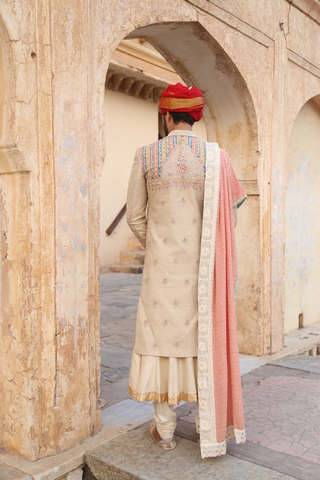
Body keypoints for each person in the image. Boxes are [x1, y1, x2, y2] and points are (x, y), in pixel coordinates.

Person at [126, 83, 246, 458]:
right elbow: (230, 216)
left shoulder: (145, 155)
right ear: (194, 116)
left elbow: (134, 216)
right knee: (201, 341)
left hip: (160, 276)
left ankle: (164, 430)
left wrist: (159, 244)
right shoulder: (218, 159)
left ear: (165, 115)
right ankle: (209, 421)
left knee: (159, 342)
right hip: (202, 274)